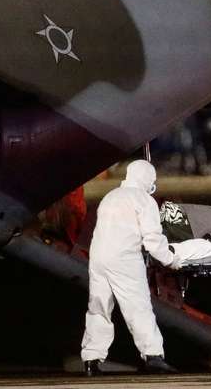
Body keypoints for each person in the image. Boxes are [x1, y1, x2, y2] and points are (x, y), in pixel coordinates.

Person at [81, 160, 178, 376]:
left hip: (98, 257)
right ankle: (152, 355)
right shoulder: (143, 200)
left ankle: (92, 359)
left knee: (98, 307)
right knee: (138, 307)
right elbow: (153, 240)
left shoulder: (110, 196)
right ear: (147, 179)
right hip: (124, 258)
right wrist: (170, 259)